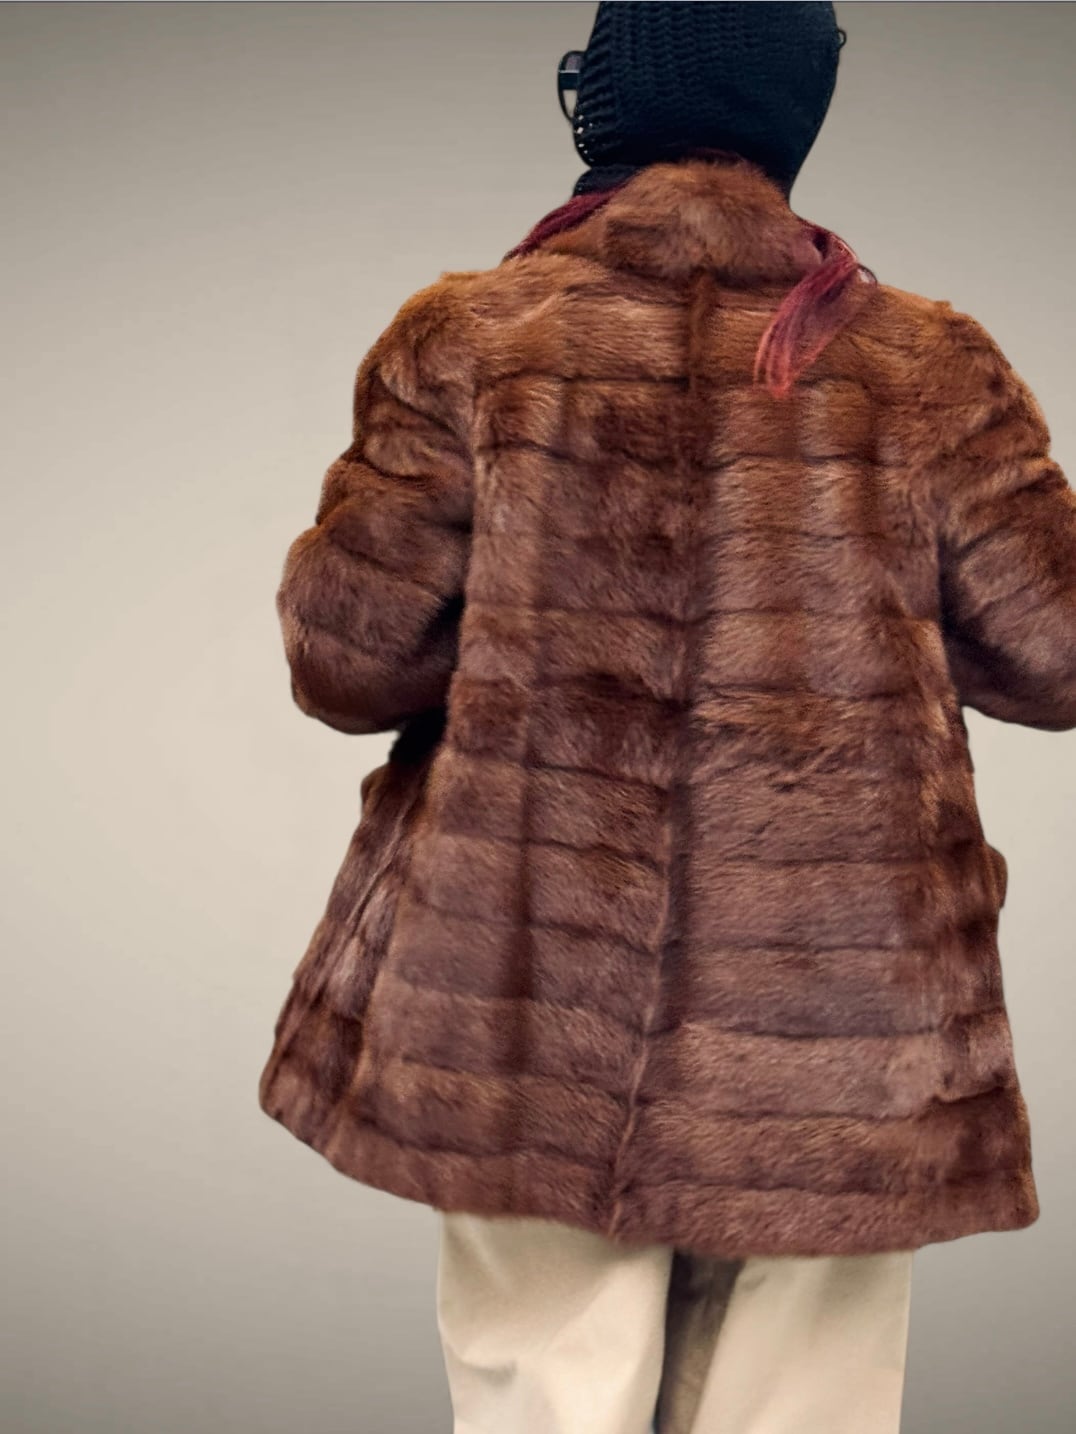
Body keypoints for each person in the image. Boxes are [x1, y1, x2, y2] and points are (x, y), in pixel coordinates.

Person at [257, 4, 1076, 1430]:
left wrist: (523, 623)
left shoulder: (471, 338)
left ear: (603, 103)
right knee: (801, 1408)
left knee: (545, 1398)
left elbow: (346, 655)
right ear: (796, 113)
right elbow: (1059, 653)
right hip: (837, 1010)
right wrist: (872, 621)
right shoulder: (932, 367)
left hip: (523, 980)